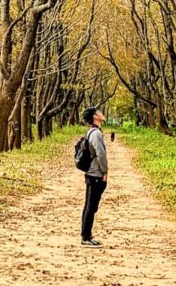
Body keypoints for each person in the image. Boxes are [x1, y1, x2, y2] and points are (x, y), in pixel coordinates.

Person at [80, 106, 108, 247]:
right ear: (95, 117)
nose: (102, 114)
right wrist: (105, 172)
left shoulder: (92, 132)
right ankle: (86, 236)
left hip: (92, 173)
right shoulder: (96, 133)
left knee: (89, 206)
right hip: (95, 174)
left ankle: (87, 234)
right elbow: (100, 154)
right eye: (99, 112)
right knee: (91, 206)